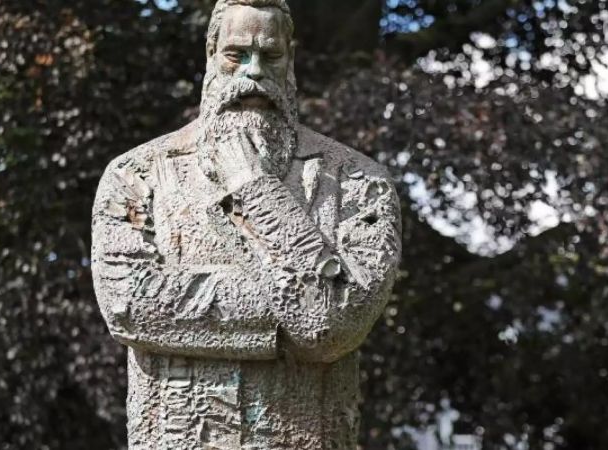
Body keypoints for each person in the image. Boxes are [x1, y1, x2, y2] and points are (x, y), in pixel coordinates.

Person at [90, 1, 401, 447]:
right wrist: (299, 310)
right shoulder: (136, 174)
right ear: (210, 55)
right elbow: (128, 305)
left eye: (270, 56)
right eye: (236, 54)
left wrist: (255, 188)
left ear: (290, 60)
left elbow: (338, 326)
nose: (253, 72)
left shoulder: (358, 180)